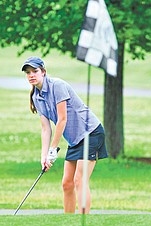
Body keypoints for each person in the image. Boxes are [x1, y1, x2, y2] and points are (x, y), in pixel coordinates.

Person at [21, 56, 108, 214]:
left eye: (35, 71)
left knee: (79, 180)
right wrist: (44, 155)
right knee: (66, 184)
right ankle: (67, 223)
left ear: (44, 72)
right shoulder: (36, 97)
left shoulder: (58, 86)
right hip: (75, 140)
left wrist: (53, 149)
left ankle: (83, 222)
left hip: (91, 132)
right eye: (28, 73)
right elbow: (46, 128)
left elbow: (62, 120)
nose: (31, 75)